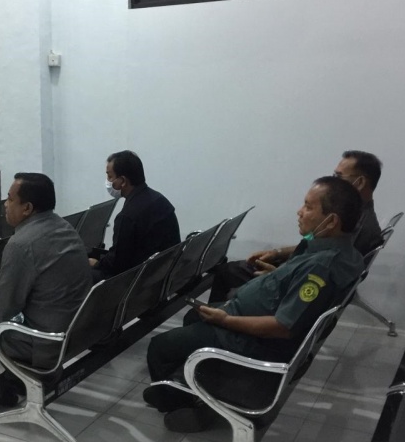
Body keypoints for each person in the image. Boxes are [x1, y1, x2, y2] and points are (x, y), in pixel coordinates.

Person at [145, 176, 366, 433]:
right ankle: (196, 385)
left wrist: (226, 320)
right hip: (251, 323)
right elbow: (296, 291)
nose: (299, 211)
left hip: (254, 342)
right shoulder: (344, 253)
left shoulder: (320, 267)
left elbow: (282, 327)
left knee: (159, 346)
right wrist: (278, 276)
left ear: (331, 221)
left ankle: (177, 402)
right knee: (192, 318)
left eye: (308, 206)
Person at [0, 172, 91, 406]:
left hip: (43, 343)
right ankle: (16, 379)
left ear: (27, 208)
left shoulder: (21, 244)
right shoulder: (65, 227)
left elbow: (2, 312)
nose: (5, 205)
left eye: (9, 199)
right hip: (73, 331)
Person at [207, 150, 382, 303]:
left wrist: (277, 275)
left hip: (294, 278)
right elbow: (314, 245)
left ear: (359, 182)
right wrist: (277, 252)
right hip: (295, 269)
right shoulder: (351, 215)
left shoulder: (359, 227)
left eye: (338, 176)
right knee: (230, 269)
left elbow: (327, 273)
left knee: (227, 273)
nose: (333, 181)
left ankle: (215, 319)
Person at [90, 150, 181, 283]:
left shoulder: (127, 217)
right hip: (165, 272)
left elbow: (117, 264)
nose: (108, 181)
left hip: (140, 282)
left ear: (123, 181)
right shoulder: (159, 199)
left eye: (110, 176)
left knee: (81, 275)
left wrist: (97, 263)